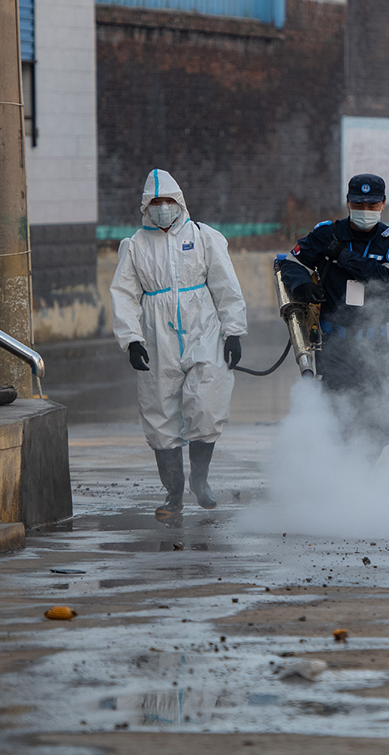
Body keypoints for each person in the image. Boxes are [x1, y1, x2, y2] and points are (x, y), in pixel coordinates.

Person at [110, 169, 247, 517]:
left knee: (206, 404)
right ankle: (173, 493)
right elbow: (124, 295)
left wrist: (233, 332)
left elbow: (226, 287)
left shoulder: (203, 238)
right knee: (159, 412)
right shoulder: (136, 246)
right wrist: (132, 341)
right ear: (146, 206)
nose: (163, 208)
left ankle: (200, 481)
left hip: (204, 329)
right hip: (158, 337)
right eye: (156, 202)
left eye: (168, 201)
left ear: (180, 202)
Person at [278, 173, 389, 461]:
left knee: (378, 420)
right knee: (337, 416)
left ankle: (362, 476)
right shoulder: (328, 234)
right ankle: (342, 482)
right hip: (334, 344)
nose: (366, 211)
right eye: (360, 204)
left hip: (373, 345)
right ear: (348, 202)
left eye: (372, 205)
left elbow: (385, 279)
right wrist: (303, 284)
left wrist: (343, 257)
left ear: (383, 204)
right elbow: (291, 262)